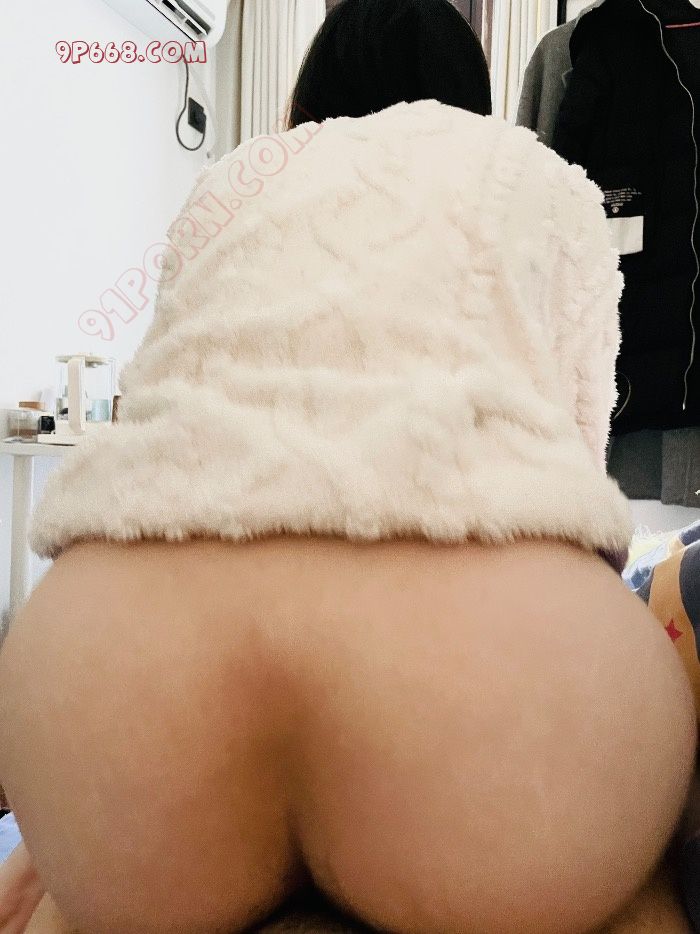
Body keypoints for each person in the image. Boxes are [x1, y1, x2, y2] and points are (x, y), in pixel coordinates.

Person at [0, 1, 695, 932]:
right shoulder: (538, 179)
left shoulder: (233, 181)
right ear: (471, 97)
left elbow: (155, 405)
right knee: (639, 901)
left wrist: (65, 837)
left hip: (129, 675)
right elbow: (575, 455)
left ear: (307, 95)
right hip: (489, 683)